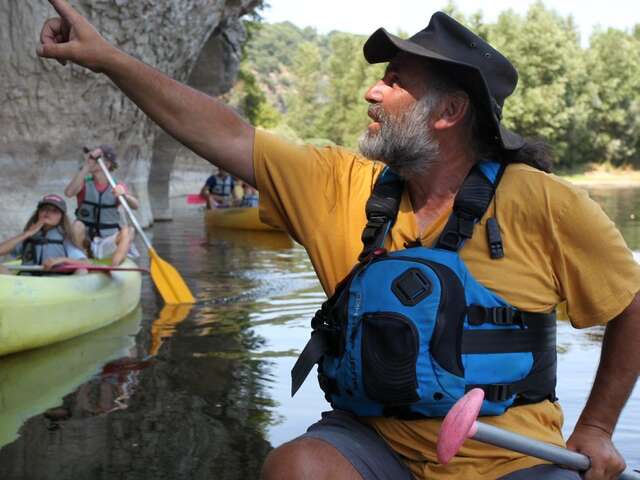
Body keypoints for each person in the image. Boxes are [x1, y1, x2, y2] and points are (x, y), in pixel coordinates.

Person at [37, 3, 640, 480]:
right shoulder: (340, 185)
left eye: (395, 81)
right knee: (297, 466)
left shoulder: (544, 202)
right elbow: (220, 129)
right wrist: (109, 59)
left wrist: (597, 427)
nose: (372, 93)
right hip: (374, 444)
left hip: (514, 459)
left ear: (449, 111)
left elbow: (631, 303)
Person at [64, 144, 138, 266]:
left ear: (107, 164)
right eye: (91, 158)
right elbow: (69, 193)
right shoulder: (84, 183)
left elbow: (135, 205)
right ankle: (84, 260)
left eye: (95, 159)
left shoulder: (117, 186)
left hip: (107, 240)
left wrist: (124, 195)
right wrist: (87, 166)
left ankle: (114, 267)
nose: (91, 160)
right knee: (77, 225)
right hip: (85, 241)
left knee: (129, 231)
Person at [0, 194, 88, 274]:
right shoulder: (30, 236)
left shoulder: (65, 238)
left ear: (61, 217)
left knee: (82, 271)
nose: (48, 212)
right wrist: (27, 234)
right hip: (26, 283)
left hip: (54, 284)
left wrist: (62, 260)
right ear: (38, 213)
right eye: (44, 209)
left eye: (54, 211)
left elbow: (85, 263)